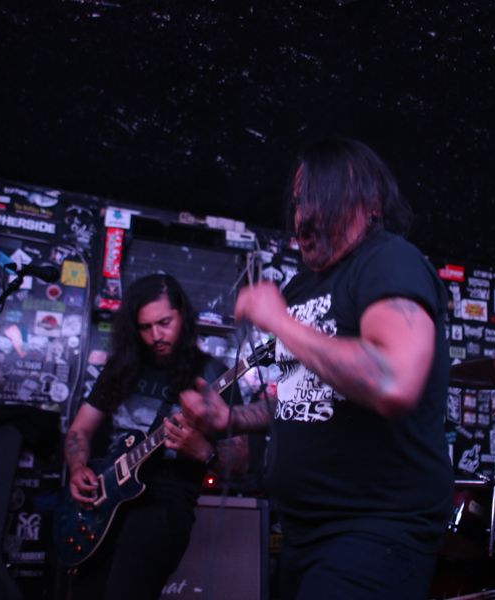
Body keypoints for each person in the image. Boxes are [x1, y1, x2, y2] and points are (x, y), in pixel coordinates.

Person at [180, 137, 453, 599]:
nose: (301, 217)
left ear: (368, 202)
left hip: (375, 530)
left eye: (314, 198)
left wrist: (281, 323)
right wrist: (230, 418)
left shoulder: (389, 260)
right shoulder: (300, 288)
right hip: (303, 532)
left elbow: (392, 380)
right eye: (297, 202)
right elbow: (300, 399)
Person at [64, 273, 246, 600]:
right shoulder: (123, 367)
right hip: (106, 502)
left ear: (182, 317)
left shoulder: (212, 374)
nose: (156, 336)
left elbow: (241, 462)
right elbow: (79, 430)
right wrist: (78, 468)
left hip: (164, 502)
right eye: (145, 328)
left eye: (164, 323)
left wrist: (203, 451)